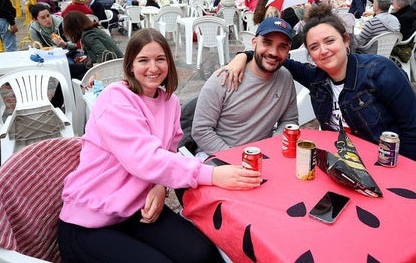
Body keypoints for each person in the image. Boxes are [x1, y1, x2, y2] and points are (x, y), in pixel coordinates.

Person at [57, 28, 262, 263]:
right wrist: (213, 175)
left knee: (202, 253)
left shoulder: (170, 102)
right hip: (88, 223)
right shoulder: (115, 98)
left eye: (160, 59)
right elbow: (145, 159)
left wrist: (158, 186)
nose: (153, 68)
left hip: (137, 210)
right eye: (144, 60)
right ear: (131, 65)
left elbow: (168, 153)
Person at [221, 3, 416, 182]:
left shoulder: (379, 71)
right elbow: (277, 57)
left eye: (330, 41)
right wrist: (243, 55)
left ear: (346, 40)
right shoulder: (317, 79)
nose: (323, 51)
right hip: (368, 167)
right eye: (314, 47)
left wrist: (396, 179)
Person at [191, 17, 298, 158]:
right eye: (267, 42)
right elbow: (201, 130)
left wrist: (272, 146)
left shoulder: (285, 78)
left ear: (288, 50)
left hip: (262, 156)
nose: (273, 52)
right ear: (254, 43)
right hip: (217, 156)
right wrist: (236, 158)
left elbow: (289, 120)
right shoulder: (224, 77)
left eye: (282, 46)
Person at [29, 3, 87, 107]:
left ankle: (58, 101)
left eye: (48, 15)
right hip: (51, 58)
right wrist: (50, 50)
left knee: (73, 70)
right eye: (43, 18)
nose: (47, 19)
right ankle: (69, 100)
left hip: (70, 53)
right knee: (75, 70)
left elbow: (76, 45)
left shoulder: (61, 23)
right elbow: (38, 49)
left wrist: (64, 44)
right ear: (36, 20)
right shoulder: (34, 30)